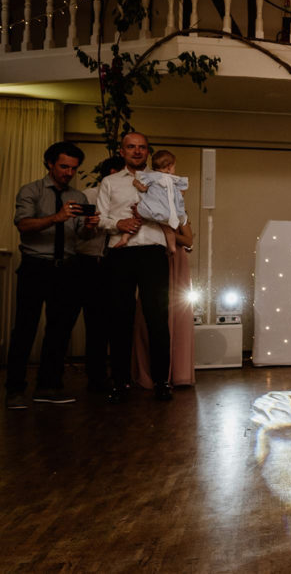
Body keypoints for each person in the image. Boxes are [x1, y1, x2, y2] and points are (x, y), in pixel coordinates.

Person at [6, 141, 98, 409]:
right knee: (25, 329)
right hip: (35, 267)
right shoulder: (31, 191)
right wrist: (55, 217)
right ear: (49, 164)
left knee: (59, 331)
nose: (68, 173)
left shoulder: (79, 197)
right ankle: (14, 390)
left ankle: (48, 386)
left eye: (73, 168)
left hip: (67, 269)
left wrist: (90, 227)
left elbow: (80, 234)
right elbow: (23, 225)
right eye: (64, 166)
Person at [97, 132, 173, 402]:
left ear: (148, 151)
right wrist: (118, 224)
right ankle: (120, 383)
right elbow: (100, 218)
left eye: (142, 147)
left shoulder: (162, 180)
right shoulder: (109, 182)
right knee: (119, 318)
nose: (137, 151)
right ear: (122, 151)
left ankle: (162, 382)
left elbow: (173, 214)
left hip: (153, 252)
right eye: (131, 147)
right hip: (121, 254)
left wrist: (149, 212)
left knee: (157, 319)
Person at [70, 155, 124, 393]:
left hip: (115, 264)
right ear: (110, 174)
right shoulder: (87, 196)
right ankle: (96, 377)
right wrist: (90, 226)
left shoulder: (127, 201)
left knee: (115, 322)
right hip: (87, 262)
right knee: (93, 324)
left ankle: (119, 375)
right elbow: (76, 235)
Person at [132, 217, 196, 388]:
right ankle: (147, 372)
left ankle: (177, 373)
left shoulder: (179, 213)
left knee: (177, 314)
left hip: (176, 261)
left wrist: (166, 231)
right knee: (147, 317)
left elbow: (189, 240)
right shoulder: (144, 209)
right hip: (151, 258)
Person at [116, 149, 187, 251]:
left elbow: (141, 186)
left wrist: (138, 185)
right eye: (174, 167)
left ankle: (124, 238)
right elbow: (182, 192)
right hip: (165, 210)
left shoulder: (151, 176)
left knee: (137, 221)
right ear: (169, 167)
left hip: (152, 207)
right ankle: (172, 247)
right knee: (168, 229)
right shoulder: (173, 179)